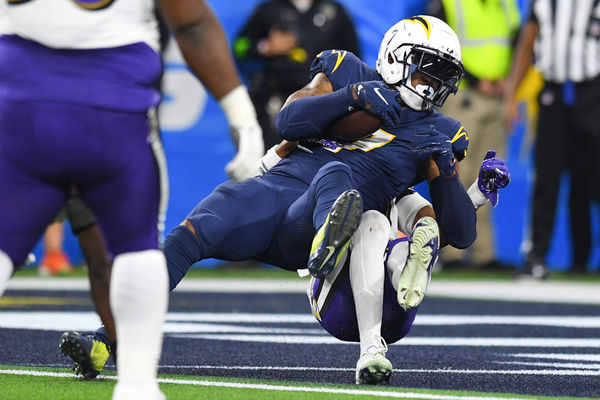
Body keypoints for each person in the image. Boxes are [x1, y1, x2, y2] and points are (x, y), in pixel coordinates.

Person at [58, 15, 478, 383]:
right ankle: (104, 341)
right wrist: (352, 96)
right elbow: (289, 120)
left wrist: (446, 175)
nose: (435, 85)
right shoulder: (347, 71)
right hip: (273, 190)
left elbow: (460, 232)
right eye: (427, 71)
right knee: (189, 234)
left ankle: (328, 243)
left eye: (443, 76)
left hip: (310, 217)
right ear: (395, 57)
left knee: (337, 176)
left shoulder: (440, 132)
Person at [0, 1, 264, 399]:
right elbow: (192, 24)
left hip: (24, 107)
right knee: (138, 250)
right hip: (114, 113)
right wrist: (241, 114)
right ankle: (138, 385)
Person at [503, 0, 600, 277]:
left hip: (593, 93)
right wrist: (512, 96)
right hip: (553, 94)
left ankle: (582, 258)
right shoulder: (543, 3)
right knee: (546, 177)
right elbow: (527, 42)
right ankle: (536, 256)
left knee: (591, 178)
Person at [426, 0, 521, 271]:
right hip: (464, 94)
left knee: (490, 174)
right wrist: (479, 80)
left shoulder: (506, 5)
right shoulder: (451, 4)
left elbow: (518, 43)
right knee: (457, 173)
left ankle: (483, 252)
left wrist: (510, 82)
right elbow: (437, 49)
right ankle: (452, 251)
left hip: (498, 96)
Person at [233, 0, 360, 149]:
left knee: (322, 161)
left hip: (324, 103)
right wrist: (265, 47)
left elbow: (353, 59)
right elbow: (239, 47)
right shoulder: (268, 10)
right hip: (276, 103)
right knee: (276, 159)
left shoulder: (334, 11)